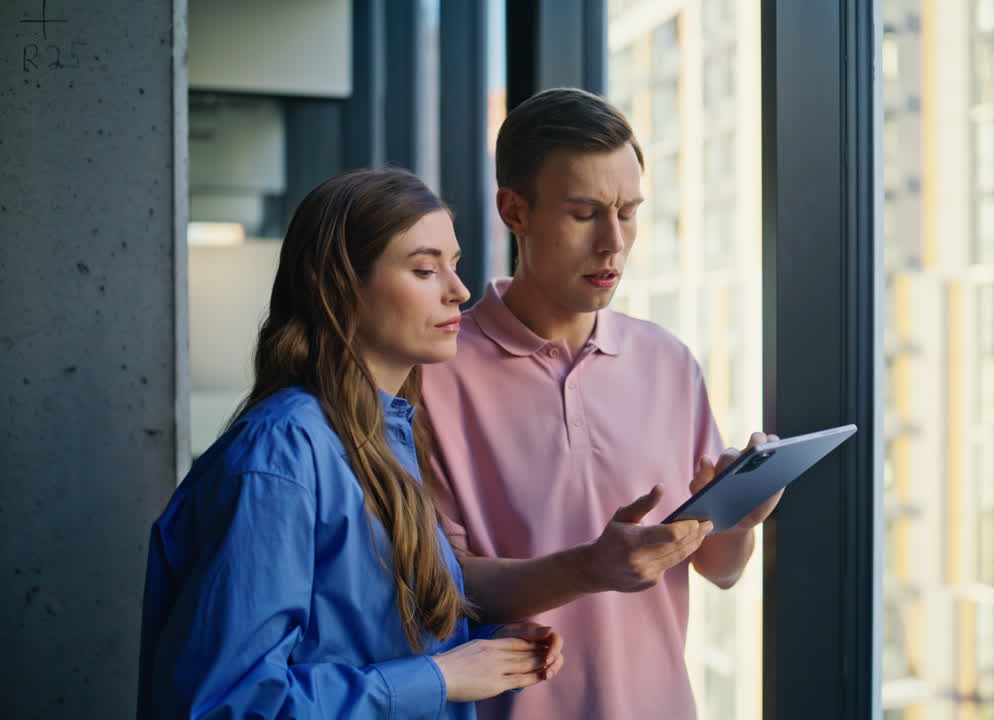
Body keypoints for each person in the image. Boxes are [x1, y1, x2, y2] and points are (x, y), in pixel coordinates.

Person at [137, 168, 564, 719]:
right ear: (340, 287)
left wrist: (478, 648)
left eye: (453, 266)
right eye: (425, 269)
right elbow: (227, 704)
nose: (458, 290)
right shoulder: (280, 455)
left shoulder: (384, 436)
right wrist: (439, 677)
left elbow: (348, 639)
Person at [417, 88, 781, 719]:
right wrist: (592, 567)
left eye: (629, 212)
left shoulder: (669, 364)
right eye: (585, 213)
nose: (614, 242)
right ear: (515, 211)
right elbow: (441, 590)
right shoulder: (434, 374)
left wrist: (740, 521)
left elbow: (719, 570)